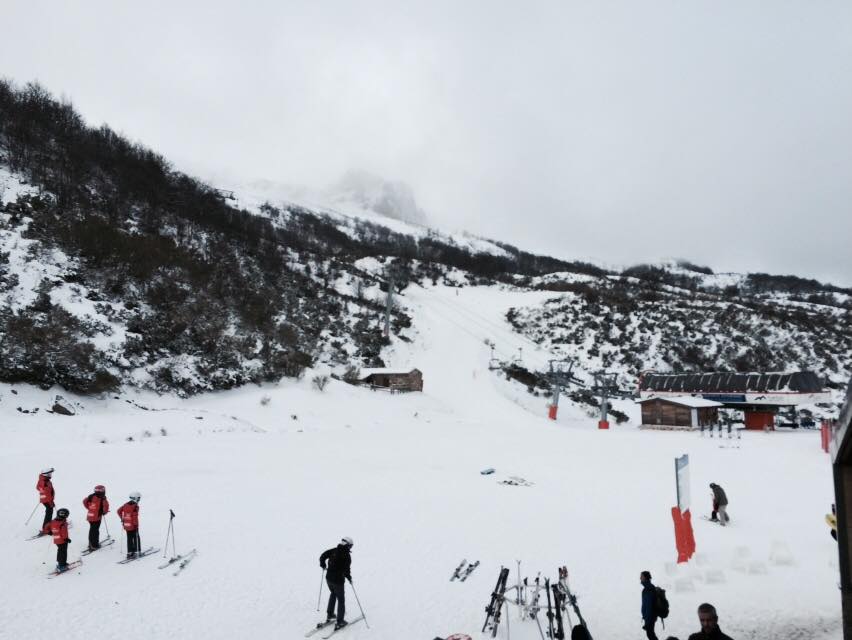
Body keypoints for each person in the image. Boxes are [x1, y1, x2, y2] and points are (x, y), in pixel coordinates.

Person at [319, 537, 354, 630]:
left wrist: (323, 564)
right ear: (348, 545)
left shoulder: (334, 550)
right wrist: (349, 578)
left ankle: (330, 614)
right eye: (351, 546)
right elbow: (346, 570)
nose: (351, 548)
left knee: (333, 594)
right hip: (338, 581)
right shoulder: (346, 556)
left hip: (328, 578)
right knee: (341, 600)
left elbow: (323, 555)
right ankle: (340, 621)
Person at [82, 485, 110, 550]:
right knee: (95, 531)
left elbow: (84, 501)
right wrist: (104, 512)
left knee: (92, 530)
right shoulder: (102, 498)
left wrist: (89, 508)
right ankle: (94, 545)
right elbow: (106, 506)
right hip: (96, 517)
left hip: (90, 516)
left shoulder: (91, 496)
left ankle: (91, 544)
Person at [117, 491, 141, 559]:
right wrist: (136, 525)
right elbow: (134, 516)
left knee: (129, 538)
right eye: (138, 498)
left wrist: (122, 518)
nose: (139, 500)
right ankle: (137, 551)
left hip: (126, 525)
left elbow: (118, 511)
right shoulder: (135, 506)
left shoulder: (125, 504)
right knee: (136, 537)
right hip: (133, 525)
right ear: (135, 498)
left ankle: (130, 552)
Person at [47, 507, 71, 572]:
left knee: (60, 551)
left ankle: (61, 563)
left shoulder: (53, 521)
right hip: (62, 540)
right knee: (63, 552)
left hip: (56, 540)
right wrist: (66, 539)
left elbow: (47, 526)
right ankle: (62, 565)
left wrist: (49, 531)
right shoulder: (63, 523)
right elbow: (64, 532)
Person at [640, 570, 659, 640]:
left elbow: (649, 607)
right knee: (651, 634)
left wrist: (647, 621)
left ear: (645, 577)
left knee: (650, 635)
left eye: (641, 576)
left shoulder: (648, 589)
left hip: (650, 617)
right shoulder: (648, 588)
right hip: (650, 617)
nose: (640, 578)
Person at [36, 467, 55, 535]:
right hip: (47, 500)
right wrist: (51, 502)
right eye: (50, 473)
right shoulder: (45, 482)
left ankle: (46, 527)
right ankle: (46, 529)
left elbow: (37, 487)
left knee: (48, 512)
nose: (51, 475)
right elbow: (48, 494)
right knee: (49, 514)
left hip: (45, 500)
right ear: (46, 474)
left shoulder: (42, 479)